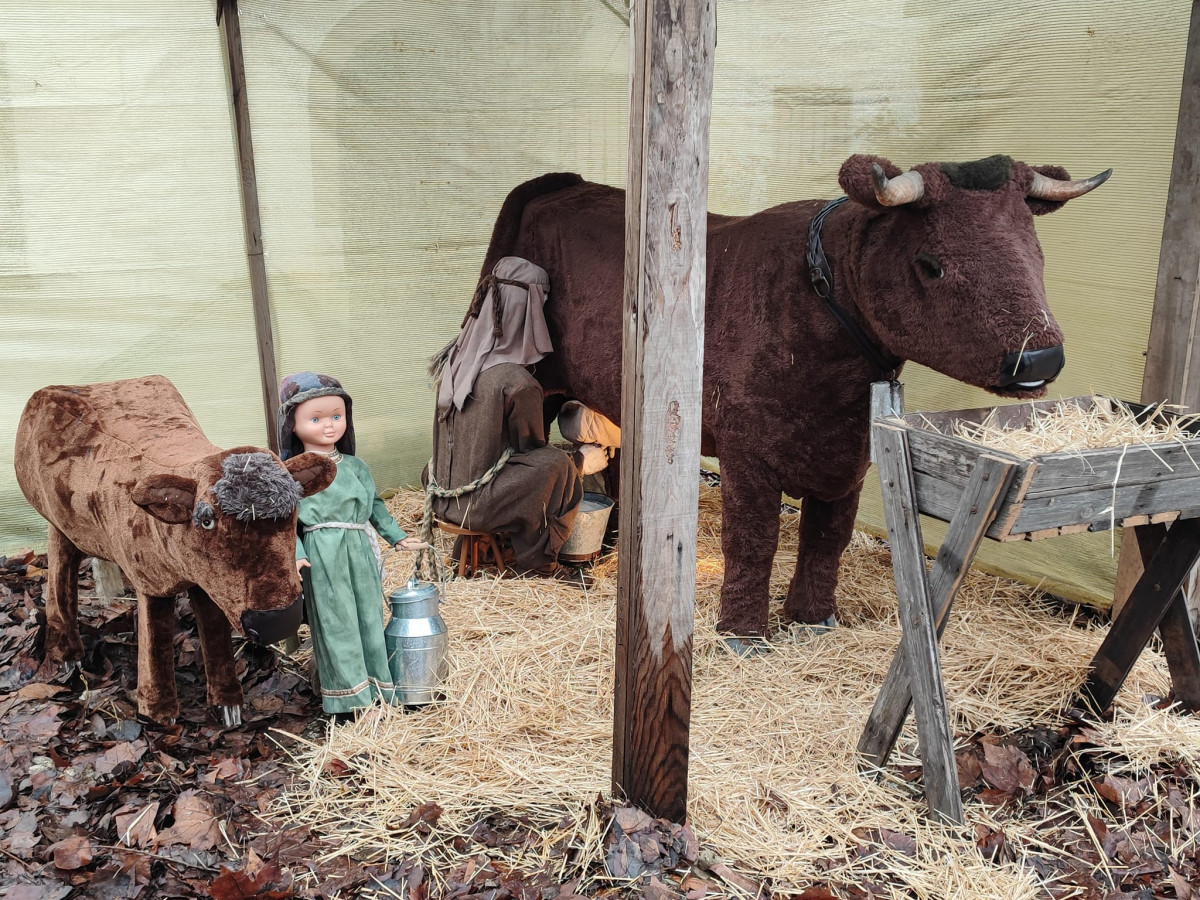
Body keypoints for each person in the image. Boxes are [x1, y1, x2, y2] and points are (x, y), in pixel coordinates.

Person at [425, 257, 605, 576]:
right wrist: (580, 462)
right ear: (529, 312)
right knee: (556, 466)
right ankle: (540, 567)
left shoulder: (452, 361)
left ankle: (496, 546)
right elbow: (531, 458)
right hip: (475, 506)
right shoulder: (518, 383)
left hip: (440, 496)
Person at [278, 371, 428, 717]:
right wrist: (297, 555)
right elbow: (286, 524)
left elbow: (374, 505)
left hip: (359, 548)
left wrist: (398, 536)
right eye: (315, 419)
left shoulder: (357, 467)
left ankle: (379, 688)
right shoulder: (291, 473)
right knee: (336, 621)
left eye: (336, 416)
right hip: (322, 553)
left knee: (369, 616)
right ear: (293, 425)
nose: (329, 426)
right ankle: (352, 699)